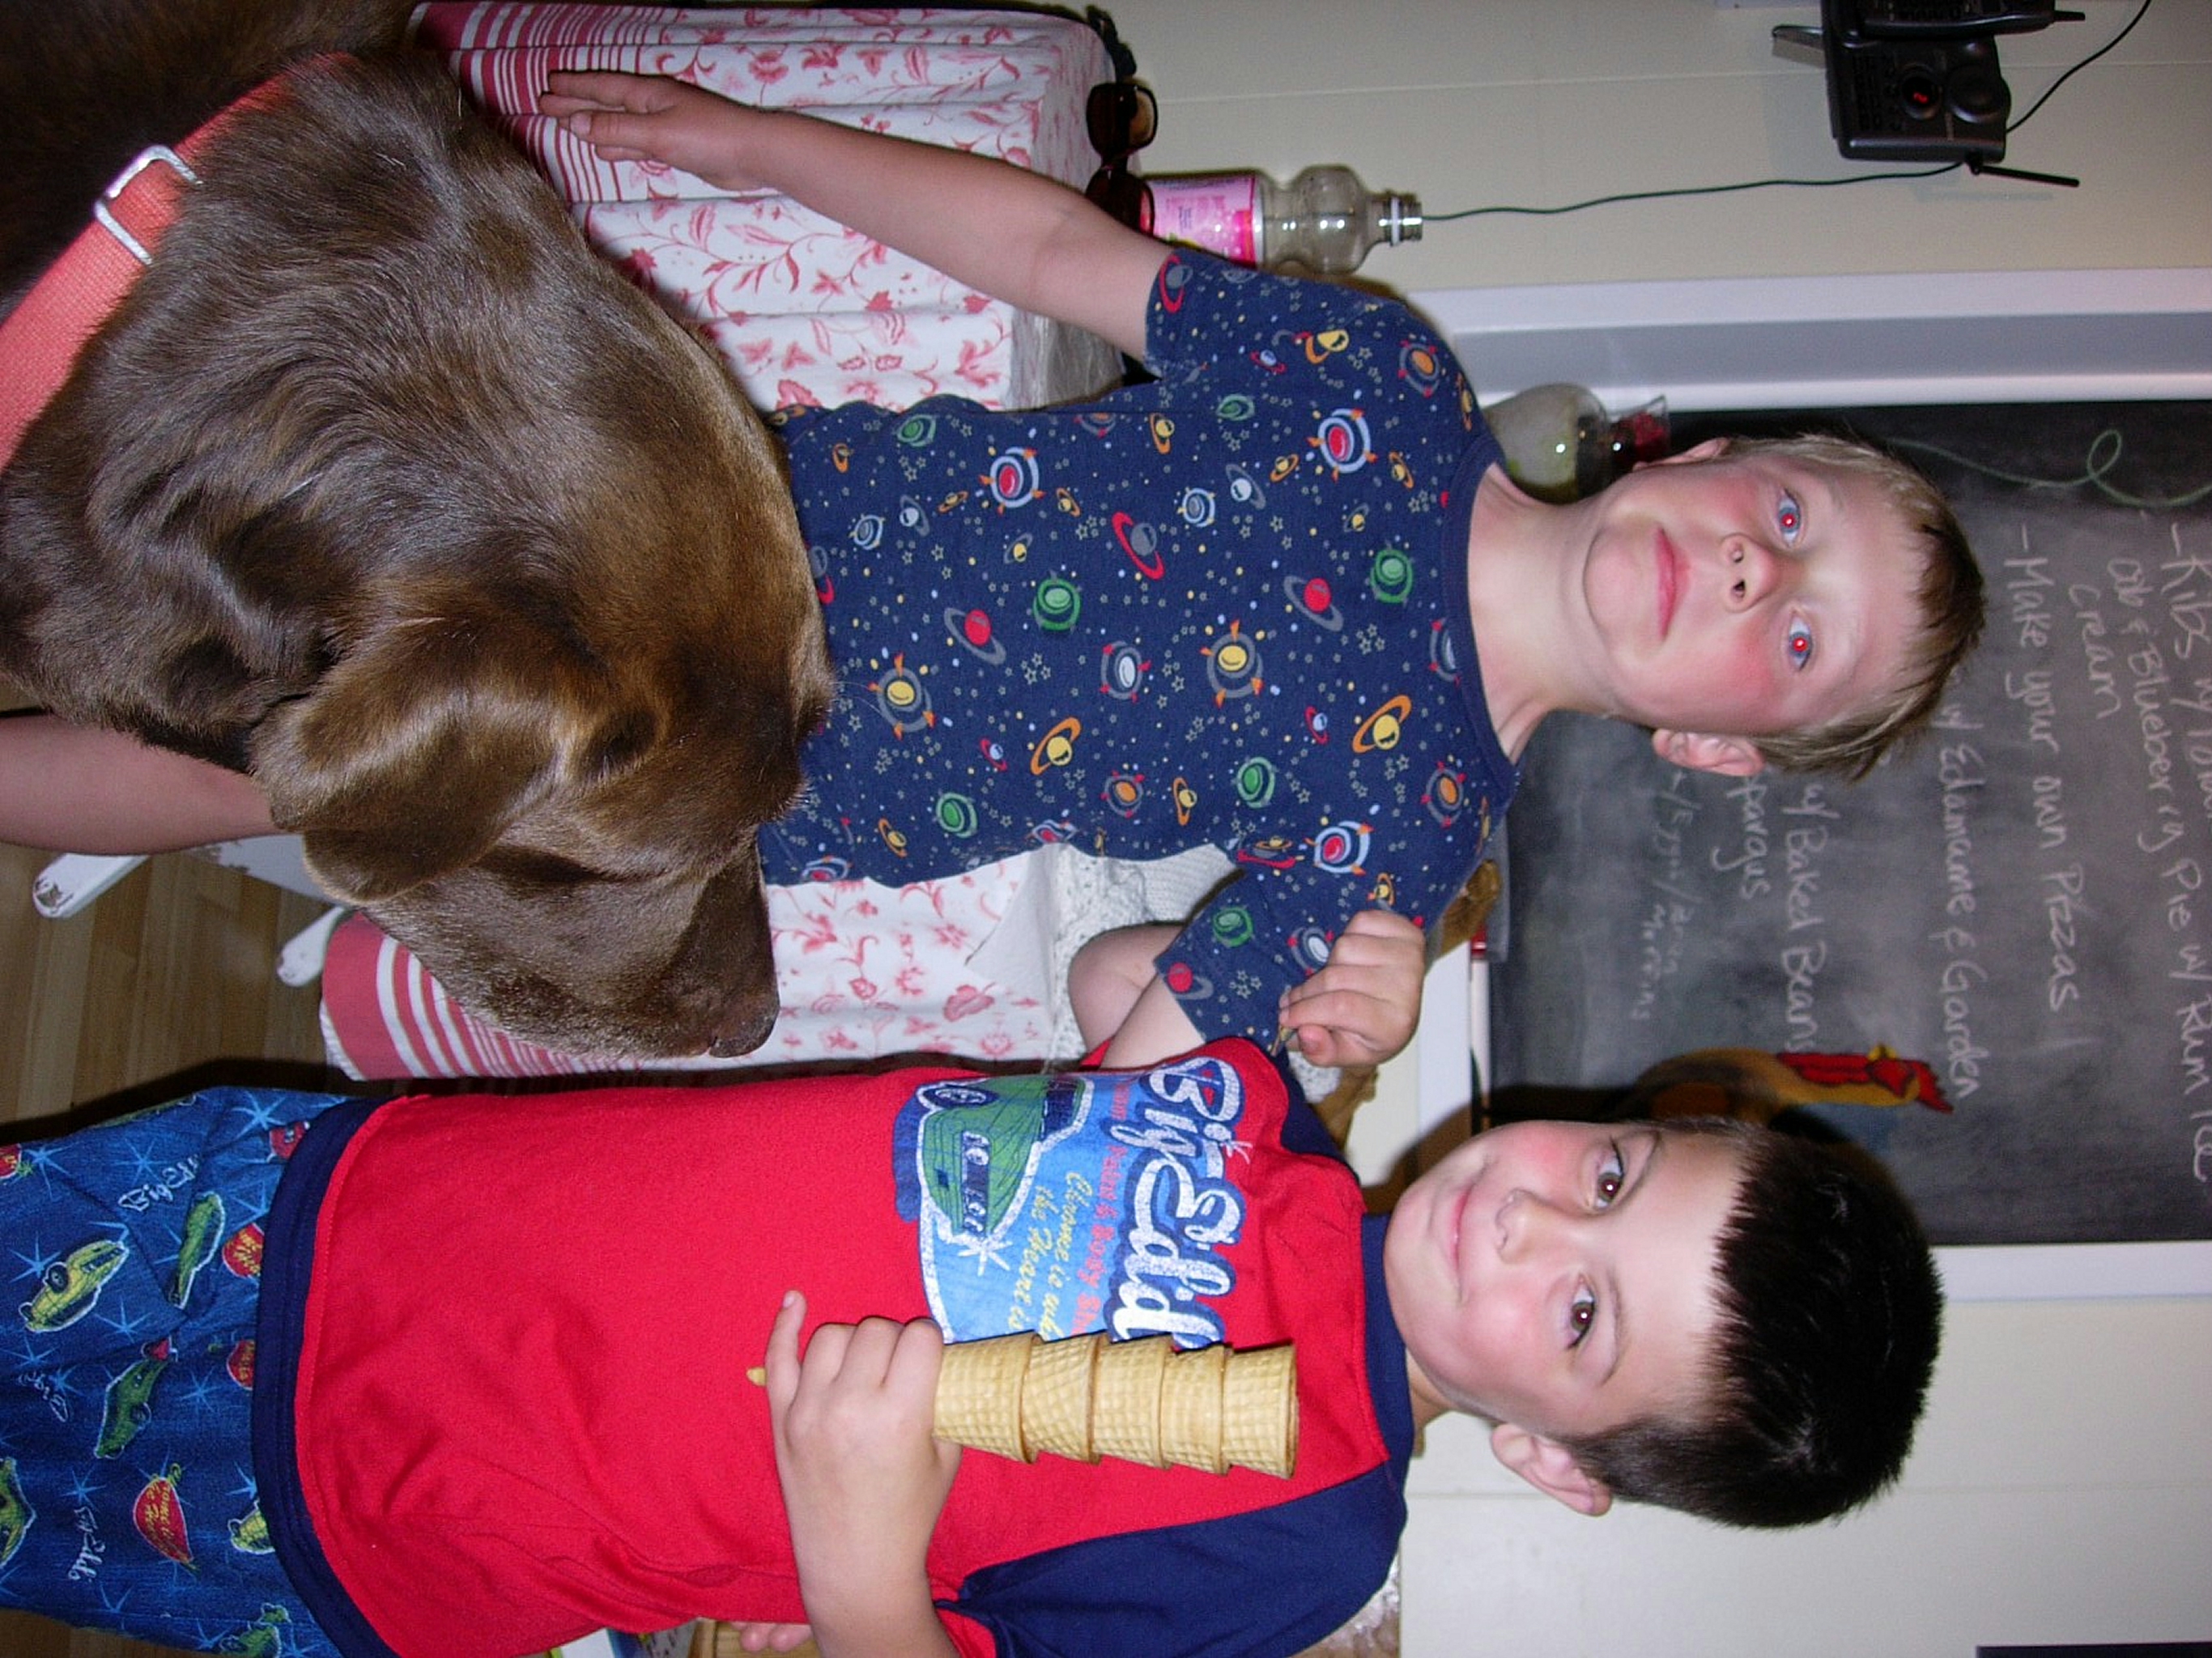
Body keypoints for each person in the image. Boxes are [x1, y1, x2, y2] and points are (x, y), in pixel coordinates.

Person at [0, 70, 1984, 1070]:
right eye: (1784, 521)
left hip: (710, 799)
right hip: (687, 525)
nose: (1749, 578)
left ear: (1719, 748)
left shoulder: (1408, 838)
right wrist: (758, 146)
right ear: (1708, 458)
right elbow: (1054, 255)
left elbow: (1136, 1020)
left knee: (255, 777)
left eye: (1796, 637)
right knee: (237, 556)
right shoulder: (1379, 381)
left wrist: (1303, 1037)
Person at [0, 913, 1940, 1658]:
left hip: (397, 1504)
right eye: (1607, 1177)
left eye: (1583, 1318)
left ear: (1557, 1461)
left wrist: (860, 1561)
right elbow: (1112, 994)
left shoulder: (1309, 1534)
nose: (1527, 1228)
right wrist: (1270, 965)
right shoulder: (1269, 1120)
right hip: (381, 1196)